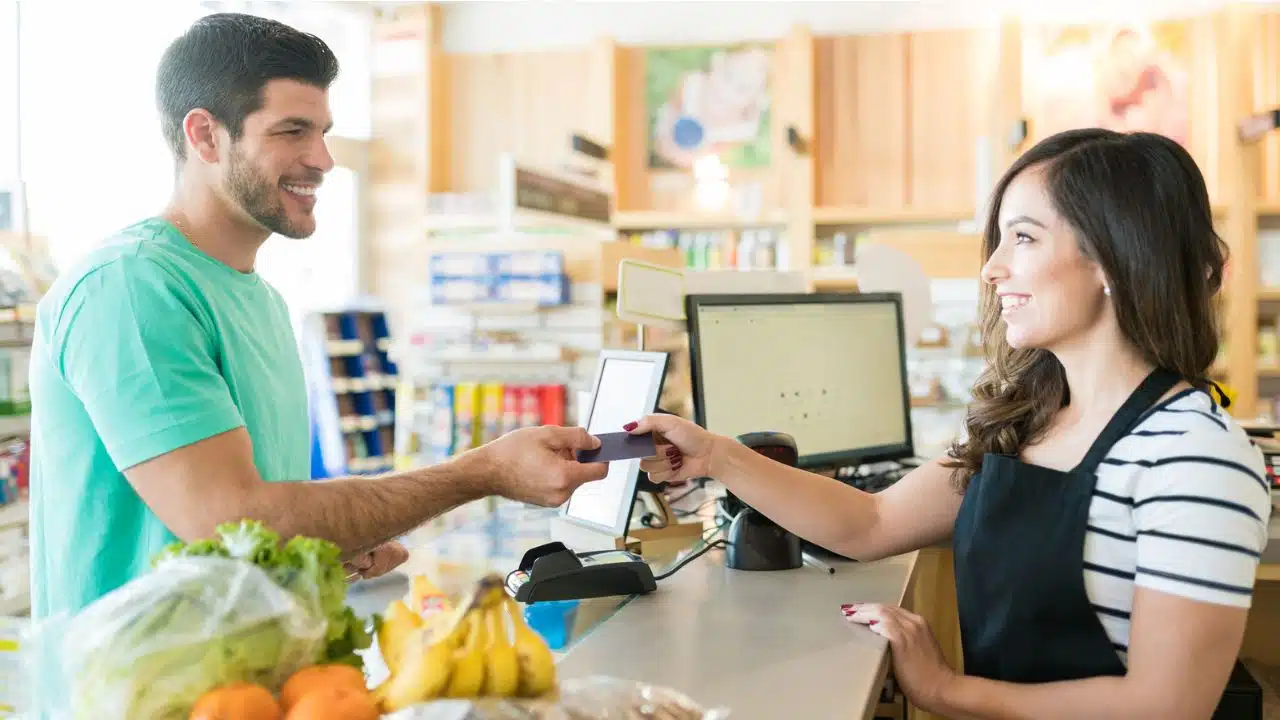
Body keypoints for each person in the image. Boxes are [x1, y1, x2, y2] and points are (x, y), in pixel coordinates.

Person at [627, 128, 1274, 719]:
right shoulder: (1027, 419)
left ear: (1112, 254)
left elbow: (1166, 704)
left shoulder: (1195, 453)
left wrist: (943, 689)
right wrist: (715, 455)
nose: (993, 269)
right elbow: (869, 523)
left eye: (1022, 238)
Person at [27, 13, 606, 620]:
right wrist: (478, 472)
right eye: (292, 131)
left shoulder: (261, 300)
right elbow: (231, 519)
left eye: (324, 131)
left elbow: (262, 529)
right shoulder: (131, 287)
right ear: (205, 136)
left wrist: (328, 543)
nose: (323, 159)